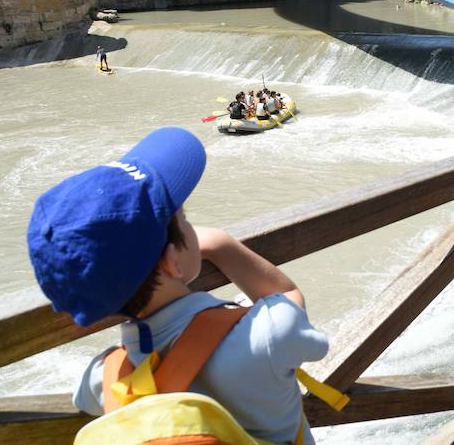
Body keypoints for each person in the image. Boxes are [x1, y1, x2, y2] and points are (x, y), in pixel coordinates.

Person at [26, 128, 329, 444]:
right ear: (172, 261)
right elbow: (287, 298)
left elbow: (84, 400)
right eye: (185, 218)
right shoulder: (266, 337)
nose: (192, 227)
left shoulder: (104, 378)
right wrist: (222, 245)